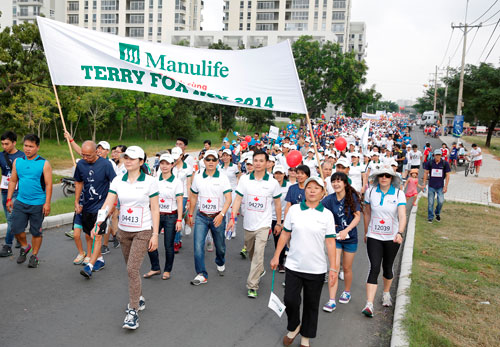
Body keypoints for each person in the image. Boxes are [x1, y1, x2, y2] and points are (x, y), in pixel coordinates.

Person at [94, 146, 160, 330]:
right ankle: (138, 297)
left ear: (141, 161)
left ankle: (133, 311)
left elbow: (155, 208)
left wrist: (155, 234)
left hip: (143, 231)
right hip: (123, 231)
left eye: (132, 158)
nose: (128, 160)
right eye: (126, 157)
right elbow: (109, 202)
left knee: (131, 269)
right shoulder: (117, 181)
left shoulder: (150, 182)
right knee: (132, 269)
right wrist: (99, 221)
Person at [271, 176, 336, 347]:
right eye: (309, 187)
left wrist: (334, 268)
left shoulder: (327, 215)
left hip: (316, 268)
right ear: (304, 190)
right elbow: (285, 233)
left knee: (311, 304)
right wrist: (277, 255)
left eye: (317, 188)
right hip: (294, 264)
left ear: (323, 192)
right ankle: (294, 326)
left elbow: (330, 242)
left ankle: (305, 338)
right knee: (290, 300)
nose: (312, 190)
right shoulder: (294, 210)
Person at [227, 151, 282, 298]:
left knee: (258, 254)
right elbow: (237, 199)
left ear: (267, 163)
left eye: (261, 161)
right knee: (252, 252)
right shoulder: (245, 180)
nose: (257, 163)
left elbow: (277, 204)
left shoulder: (272, 182)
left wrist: (278, 222)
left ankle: (252, 285)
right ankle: (259, 269)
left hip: (264, 224)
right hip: (248, 224)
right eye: (255, 160)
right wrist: (232, 218)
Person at [362, 165, 406, 317]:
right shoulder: (371, 192)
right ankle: (369, 304)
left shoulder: (399, 194)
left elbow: (402, 215)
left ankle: (386, 292)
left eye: (387, 176)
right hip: (374, 236)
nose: (384, 178)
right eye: (381, 175)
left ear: (392, 178)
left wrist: (400, 232)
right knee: (374, 267)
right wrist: (366, 231)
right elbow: (367, 213)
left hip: (391, 238)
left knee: (387, 267)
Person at [6, 134, 52, 268]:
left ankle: (34, 255)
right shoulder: (18, 161)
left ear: (37, 147)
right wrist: (9, 198)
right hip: (20, 201)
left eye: (31, 146)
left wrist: (47, 203)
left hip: (38, 203)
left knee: (36, 232)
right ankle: (25, 247)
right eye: (26, 146)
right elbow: (13, 180)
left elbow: (49, 184)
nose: (27, 149)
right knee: (15, 228)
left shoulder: (44, 163)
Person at [187, 149, 232, 286]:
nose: (211, 162)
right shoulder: (198, 177)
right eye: (208, 159)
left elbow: (228, 199)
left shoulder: (223, 178)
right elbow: (194, 196)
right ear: (204, 161)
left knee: (220, 246)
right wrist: (190, 214)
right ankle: (201, 274)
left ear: (217, 162)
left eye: (213, 160)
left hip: (217, 216)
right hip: (201, 217)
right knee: (198, 246)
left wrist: (222, 214)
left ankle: (220, 261)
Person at [75, 141, 116, 278]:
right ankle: (99, 259)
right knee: (88, 235)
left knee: (97, 235)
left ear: (96, 152)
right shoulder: (80, 164)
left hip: (101, 207)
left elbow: (115, 184)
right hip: (87, 206)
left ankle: (89, 266)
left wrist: (112, 206)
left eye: (89, 156)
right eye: (83, 155)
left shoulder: (106, 164)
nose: (86, 158)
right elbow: (79, 182)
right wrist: (77, 202)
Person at [321, 172, 361, 312]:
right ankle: (332, 300)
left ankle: (347, 291)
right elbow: (320, 212)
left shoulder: (352, 197)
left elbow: (357, 217)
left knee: (347, 268)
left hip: (351, 238)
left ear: (345, 183)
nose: (336, 184)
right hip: (335, 239)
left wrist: (347, 230)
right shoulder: (328, 199)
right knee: (334, 267)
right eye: (333, 181)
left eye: (339, 181)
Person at [143, 153, 183, 280]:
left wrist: (179, 220)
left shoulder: (177, 182)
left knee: (168, 245)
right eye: (162, 163)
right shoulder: (154, 180)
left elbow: (180, 201)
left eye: (167, 163)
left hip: (171, 216)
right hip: (156, 216)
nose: (164, 166)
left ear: (172, 165)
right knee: (149, 241)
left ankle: (167, 270)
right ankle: (155, 267)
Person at [0, 131, 24, 257]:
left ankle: (7, 245)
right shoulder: (1, 155)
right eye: (2, 144)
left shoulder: (22, 156)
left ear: (14, 143)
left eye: (7, 144)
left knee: (11, 218)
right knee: (10, 218)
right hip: (4, 190)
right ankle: (20, 237)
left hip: (17, 191)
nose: (4, 146)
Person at [171, 146, 194, 253]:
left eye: (177, 157)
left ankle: (175, 242)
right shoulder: (170, 166)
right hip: (171, 195)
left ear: (181, 156)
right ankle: (178, 237)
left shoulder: (188, 168)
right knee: (173, 217)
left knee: (177, 217)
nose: (175, 159)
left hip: (183, 195)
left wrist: (189, 200)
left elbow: (189, 184)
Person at [270, 164, 290, 273]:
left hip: (285, 217)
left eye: (280, 173)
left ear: (284, 174)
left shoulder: (289, 186)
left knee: (283, 239)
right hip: (272, 217)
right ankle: (278, 258)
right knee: (276, 239)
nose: (278, 176)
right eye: (276, 173)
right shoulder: (271, 185)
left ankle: (281, 262)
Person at [423, 149, 451, 223]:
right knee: (430, 202)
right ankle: (430, 216)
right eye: (436, 155)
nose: (437, 156)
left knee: (441, 201)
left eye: (439, 155)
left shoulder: (445, 163)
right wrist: (424, 184)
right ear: (434, 155)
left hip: (440, 186)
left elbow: (448, 175)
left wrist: (446, 186)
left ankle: (437, 213)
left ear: (441, 155)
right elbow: (425, 173)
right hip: (431, 186)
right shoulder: (430, 163)